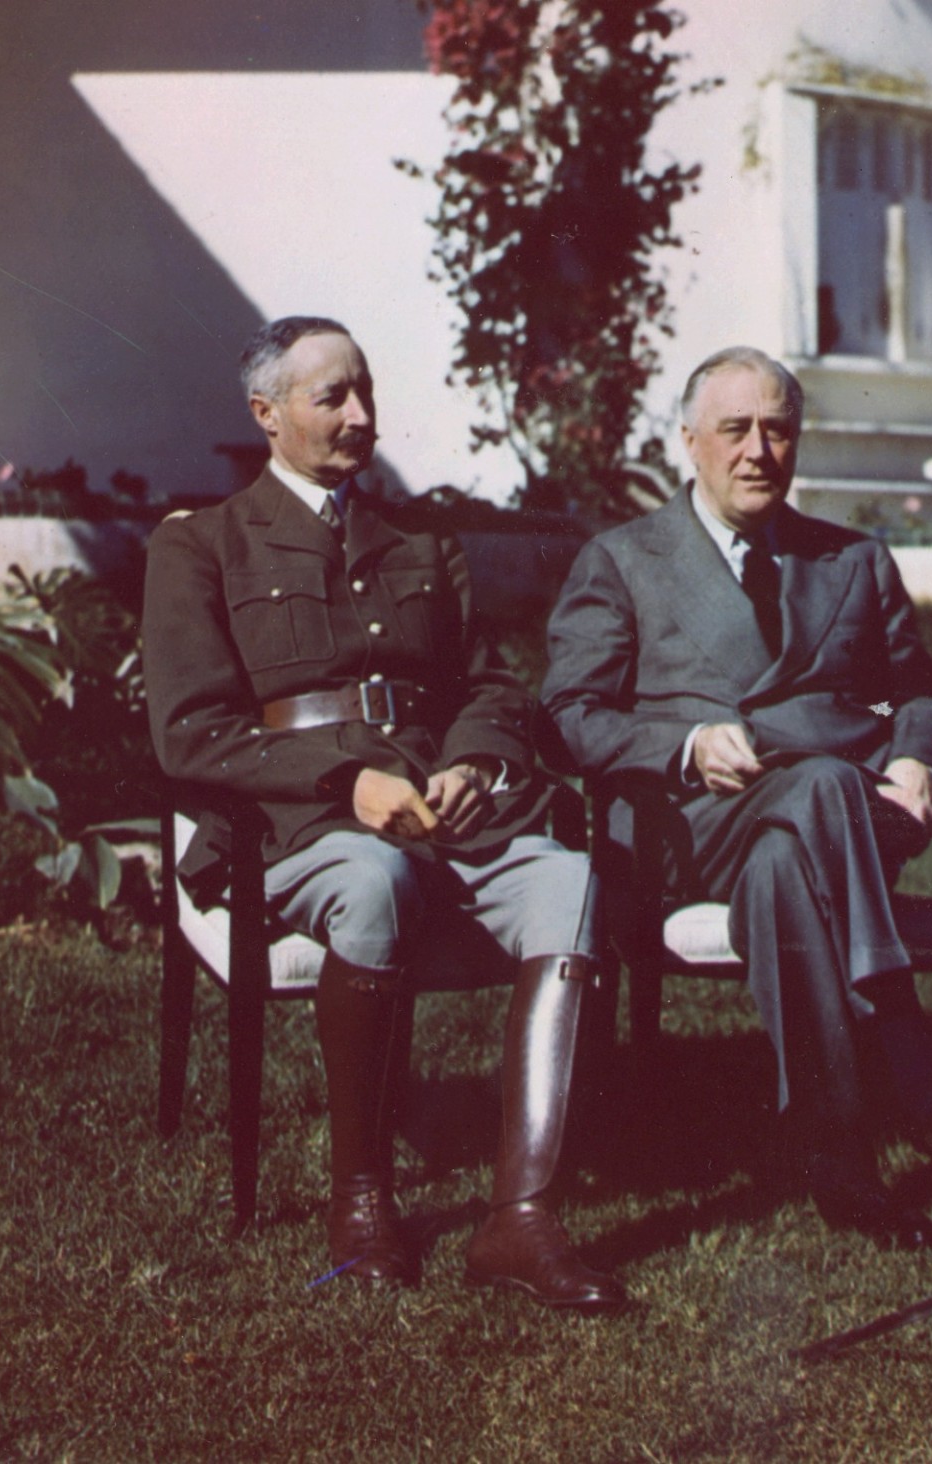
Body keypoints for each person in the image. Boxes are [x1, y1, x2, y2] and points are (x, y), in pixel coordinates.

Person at [144, 316, 625, 1309]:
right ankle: (361, 1202)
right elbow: (192, 733)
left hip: (443, 808)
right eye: (333, 399)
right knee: (374, 877)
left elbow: (490, 687)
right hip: (293, 821)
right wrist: (342, 780)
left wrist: (475, 762)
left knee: (568, 883)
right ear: (266, 415)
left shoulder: (420, 544)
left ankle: (519, 1218)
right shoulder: (203, 546)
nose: (362, 417)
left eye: (366, 393)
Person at [540, 345, 932, 1249]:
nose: (757, 452)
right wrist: (685, 744)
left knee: (795, 842)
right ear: (688, 443)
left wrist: (916, 764)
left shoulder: (850, 560)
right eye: (734, 430)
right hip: (687, 818)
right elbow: (570, 717)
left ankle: (838, 1152)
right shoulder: (623, 560)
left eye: (777, 431)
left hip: (846, 814)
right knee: (817, 786)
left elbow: (927, 697)